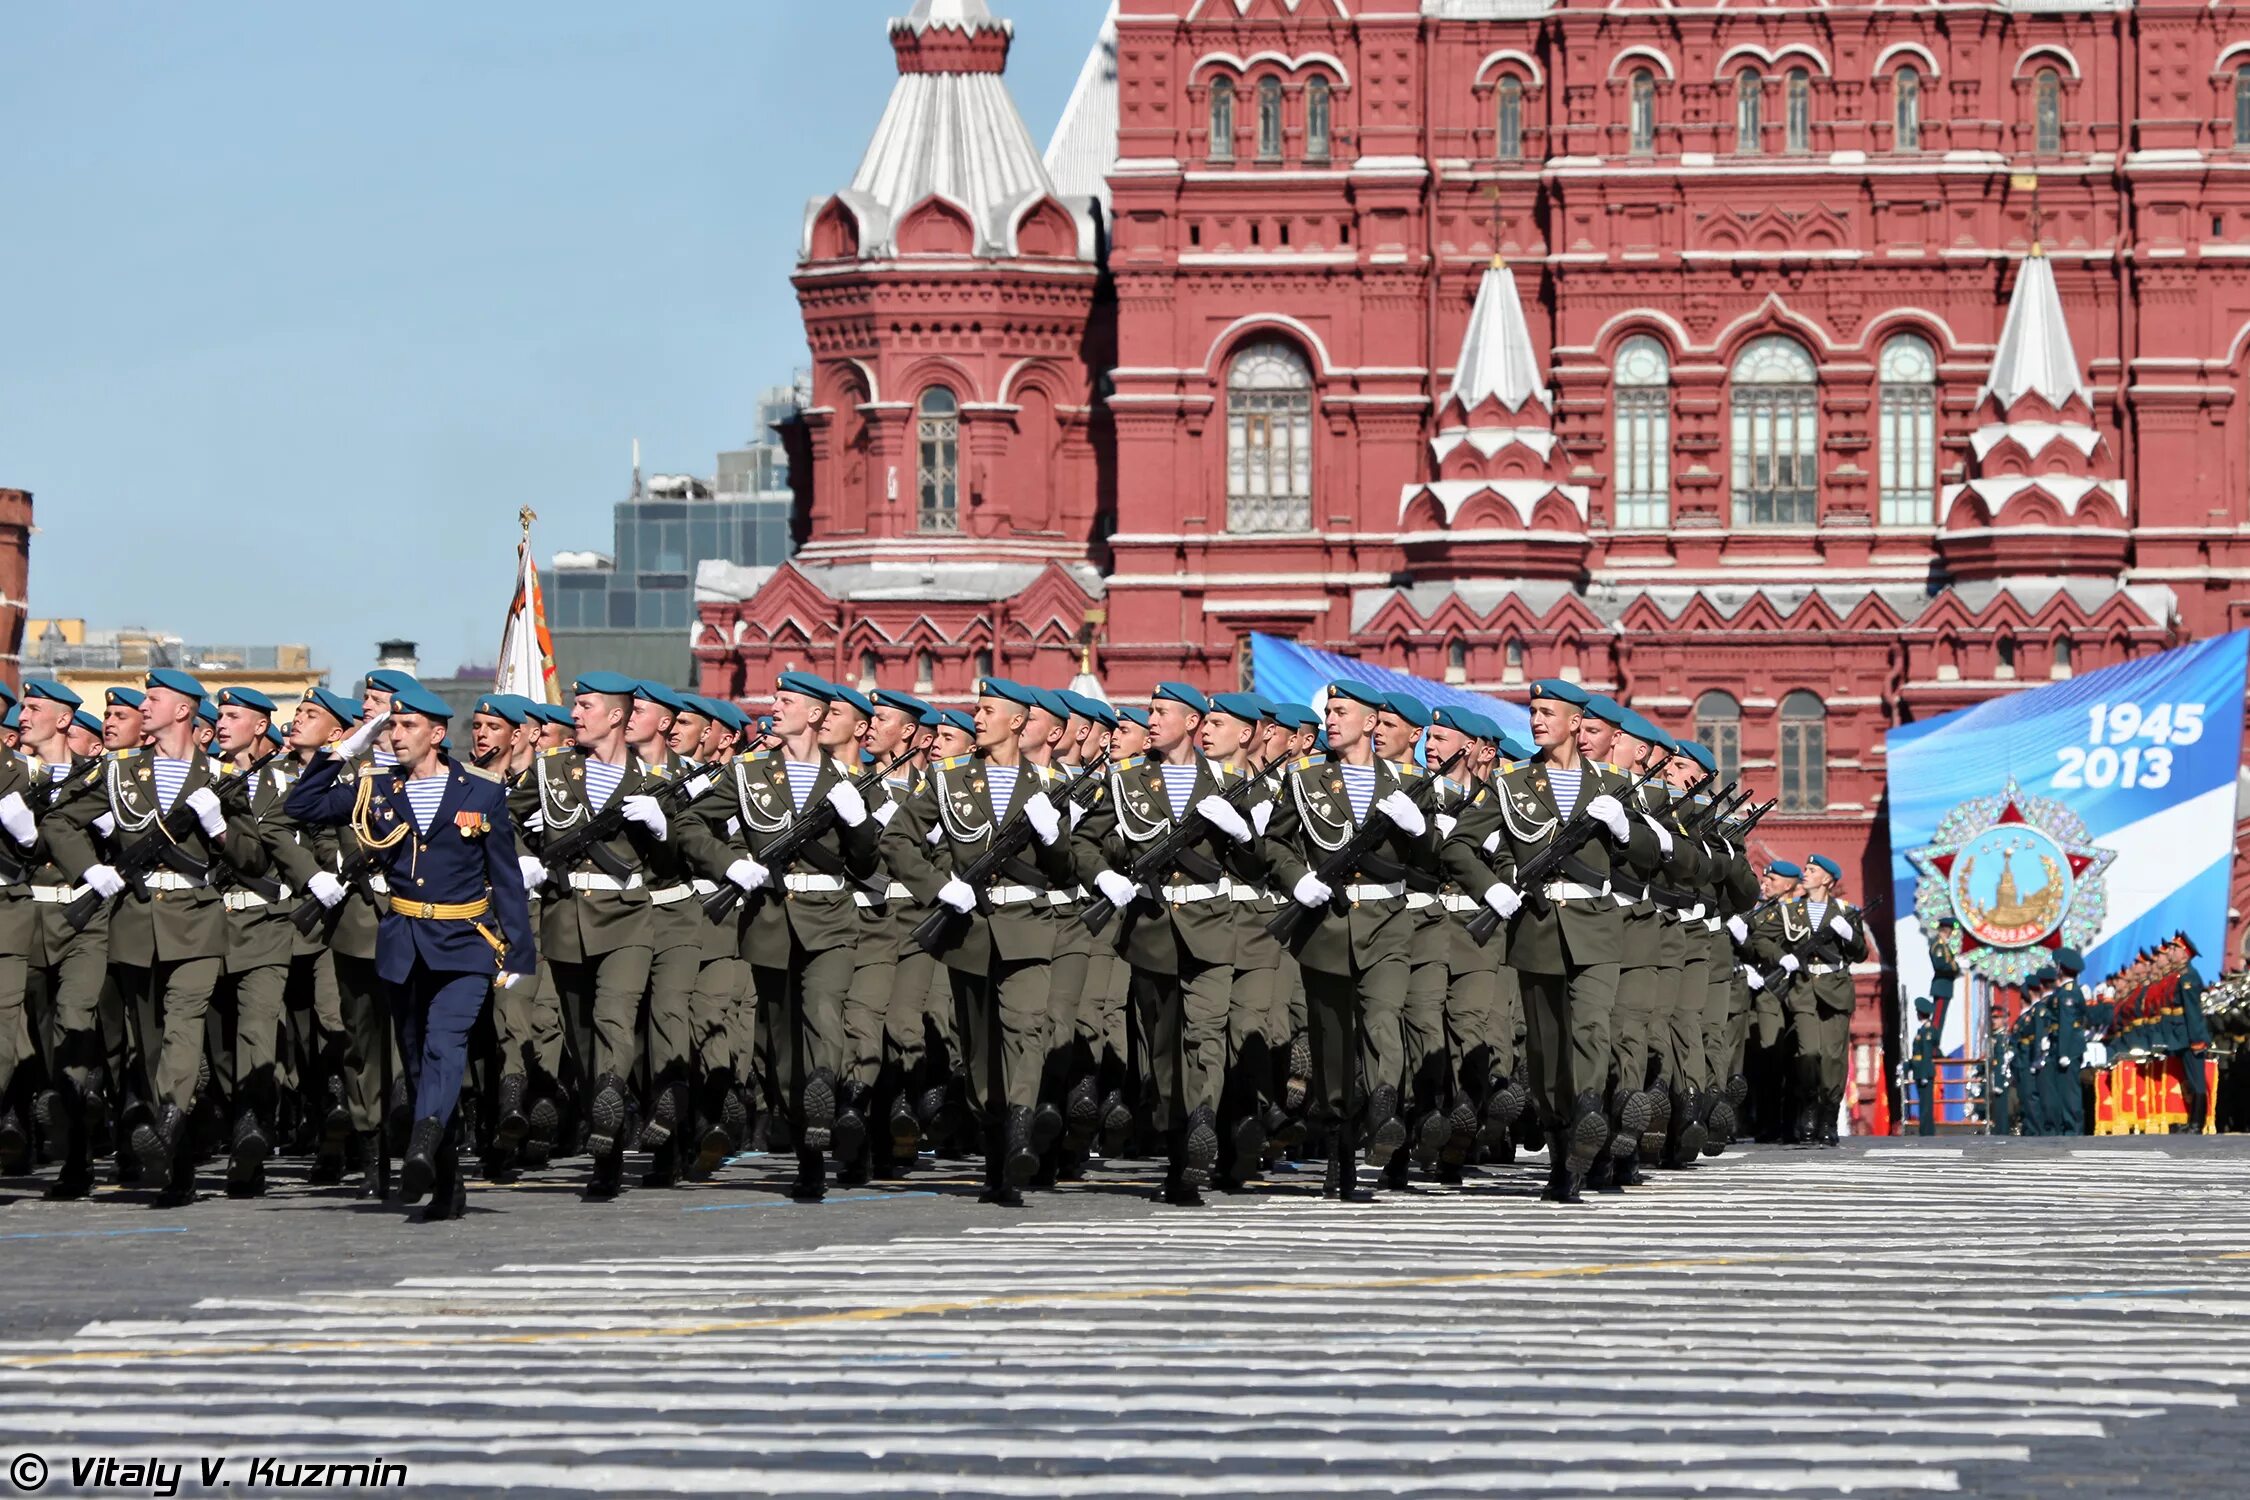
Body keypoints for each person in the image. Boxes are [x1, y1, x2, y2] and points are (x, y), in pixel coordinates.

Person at [283, 685, 534, 1220]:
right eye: (392, 727)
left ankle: (420, 1144)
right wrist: (348, 749)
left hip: (465, 944)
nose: (396, 735)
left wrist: (518, 954)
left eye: (407, 726)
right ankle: (446, 1181)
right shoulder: (376, 787)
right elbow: (300, 806)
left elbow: (506, 879)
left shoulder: (480, 792)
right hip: (403, 944)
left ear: (438, 734)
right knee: (419, 1062)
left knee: (446, 1045)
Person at [47, 669, 261, 1207]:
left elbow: (253, 857)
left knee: (184, 1026)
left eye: (154, 698)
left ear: (184, 710)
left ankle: (169, 1116)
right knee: (148, 1043)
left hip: (195, 917)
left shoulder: (216, 776)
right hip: (135, 918)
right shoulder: (120, 772)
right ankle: (179, 1165)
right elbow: (59, 824)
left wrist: (218, 828)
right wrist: (89, 871)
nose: (144, 705)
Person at [1442, 679, 1646, 1203]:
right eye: (1532, 712)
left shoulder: (1614, 784)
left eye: (1547, 712)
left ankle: (1587, 1125)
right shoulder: (1513, 784)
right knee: (1546, 1047)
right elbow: (1458, 846)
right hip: (1534, 925)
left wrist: (1625, 829)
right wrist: (1493, 890)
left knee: (1592, 1030)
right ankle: (1561, 1149)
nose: (1536, 720)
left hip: (1596, 928)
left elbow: (1648, 861)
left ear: (1576, 722)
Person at [879, 678, 1075, 1207]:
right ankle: (996, 1146)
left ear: (1016, 722)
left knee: (1026, 1030)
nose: (978, 718)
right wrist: (937, 885)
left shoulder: (1052, 784)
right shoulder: (948, 779)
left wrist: (1053, 836)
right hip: (969, 931)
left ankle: (1019, 1130)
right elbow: (896, 838)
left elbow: (1068, 868)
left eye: (987, 710)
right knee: (980, 1048)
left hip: (1029, 926)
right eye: (977, 709)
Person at [1260, 680, 1429, 1201]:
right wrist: (1296, 878)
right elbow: (1276, 841)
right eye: (1328, 712)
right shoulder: (1306, 779)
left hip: (1387, 923)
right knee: (1331, 1043)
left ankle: (1383, 1109)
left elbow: (1430, 865)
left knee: (1383, 1019)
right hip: (1327, 927)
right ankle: (1339, 1149)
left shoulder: (1408, 781)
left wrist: (1421, 829)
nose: (1331, 720)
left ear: (1372, 721)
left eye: (1342, 711)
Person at [1075, 681, 1242, 1205]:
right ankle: (1178, 1152)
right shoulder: (1125, 779)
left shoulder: (1228, 780)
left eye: (1162, 711)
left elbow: (1262, 861)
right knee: (1165, 1048)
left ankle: (1202, 1124)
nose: (1150, 719)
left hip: (1210, 925)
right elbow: (1084, 843)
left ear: (1192, 722)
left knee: (1208, 1034)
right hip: (1150, 927)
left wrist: (1242, 832)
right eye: (1150, 710)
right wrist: (1103, 878)